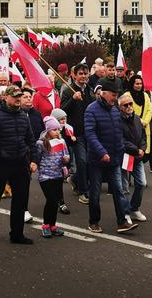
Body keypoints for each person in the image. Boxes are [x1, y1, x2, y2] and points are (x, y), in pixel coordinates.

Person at [0, 85, 38, 244]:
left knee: (20, 199)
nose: (18, 99)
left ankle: (16, 234)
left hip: (20, 163)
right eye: (15, 96)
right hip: (1, 163)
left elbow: (30, 141)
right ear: (5, 97)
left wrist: (33, 160)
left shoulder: (23, 116)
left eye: (20, 96)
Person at [84, 78, 137, 234]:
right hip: (97, 159)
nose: (115, 97)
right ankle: (94, 222)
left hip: (114, 158)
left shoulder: (114, 110)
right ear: (103, 93)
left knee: (118, 190)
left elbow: (119, 132)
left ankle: (122, 222)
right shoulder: (91, 110)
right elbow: (90, 134)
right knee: (95, 192)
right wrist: (102, 152)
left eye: (116, 94)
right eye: (113, 94)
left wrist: (120, 149)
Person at [61, 63, 95, 204]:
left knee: (89, 162)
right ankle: (83, 192)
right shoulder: (69, 90)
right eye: (80, 73)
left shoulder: (89, 90)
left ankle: (74, 179)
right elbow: (62, 110)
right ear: (74, 75)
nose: (83, 76)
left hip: (90, 131)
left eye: (85, 73)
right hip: (76, 132)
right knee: (81, 161)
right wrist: (73, 99)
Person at [36, 116, 70, 238]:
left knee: (55, 201)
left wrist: (66, 160)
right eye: (54, 129)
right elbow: (37, 158)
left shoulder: (62, 141)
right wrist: (37, 168)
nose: (57, 132)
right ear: (48, 130)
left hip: (58, 175)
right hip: (45, 176)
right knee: (50, 199)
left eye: (58, 129)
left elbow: (66, 155)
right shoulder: (41, 143)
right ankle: (46, 225)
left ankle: (53, 225)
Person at [118, 92, 148, 222]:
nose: (129, 106)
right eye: (126, 105)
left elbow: (143, 136)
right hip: (125, 157)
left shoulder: (137, 119)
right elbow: (121, 140)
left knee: (142, 183)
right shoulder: (117, 120)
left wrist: (142, 148)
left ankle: (134, 208)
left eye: (130, 104)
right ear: (120, 107)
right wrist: (136, 150)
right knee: (124, 187)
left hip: (137, 157)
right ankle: (125, 213)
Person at [128, 75, 152, 173]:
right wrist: (138, 121)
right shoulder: (127, 95)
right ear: (132, 84)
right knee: (132, 152)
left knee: (143, 152)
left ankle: (136, 174)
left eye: (140, 83)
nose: (139, 86)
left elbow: (149, 110)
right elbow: (126, 109)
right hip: (132, 127)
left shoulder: (145, 95)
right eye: (137, 84)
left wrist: (144, 121)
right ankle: (130, 175)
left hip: (144, 127)